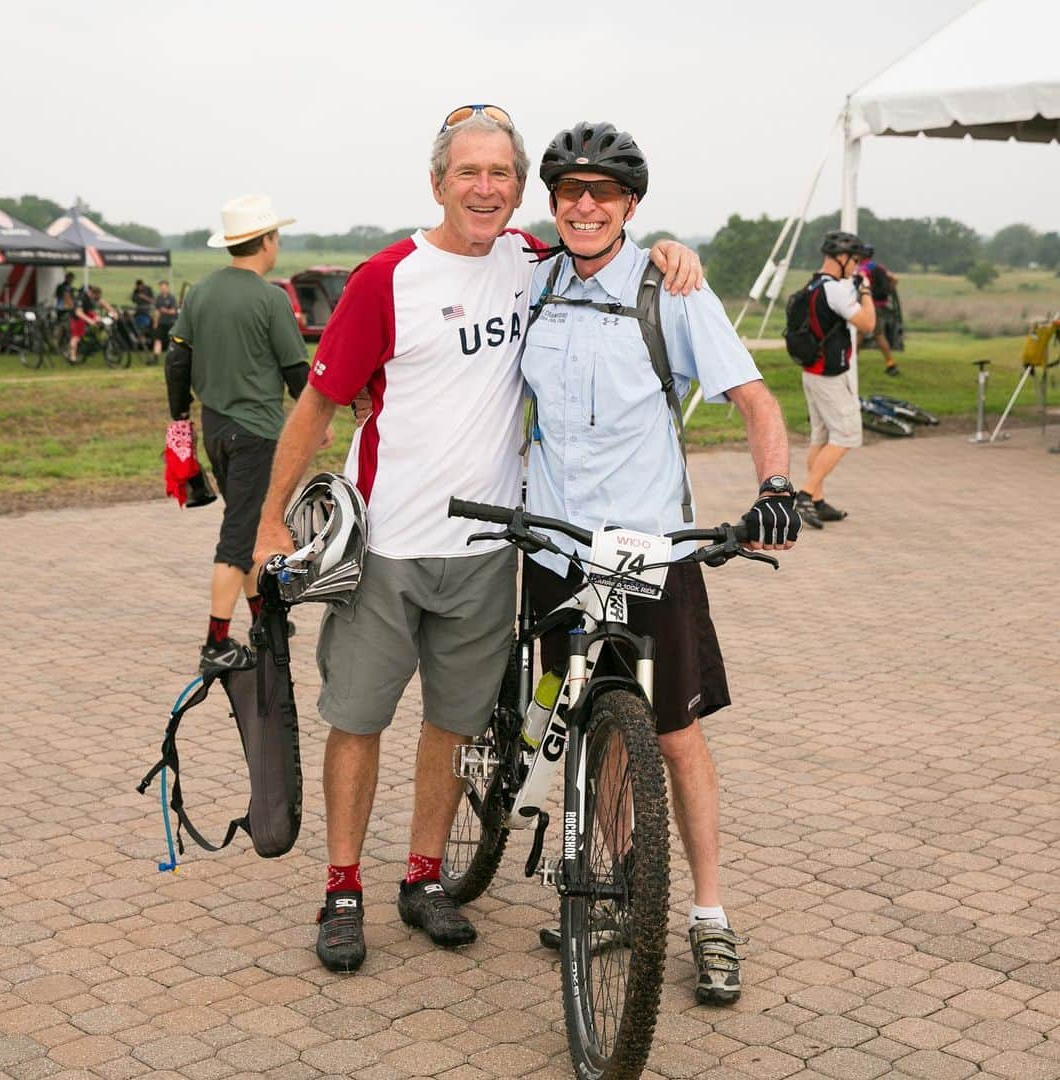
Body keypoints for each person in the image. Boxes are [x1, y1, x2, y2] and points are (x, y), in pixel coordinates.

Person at [251, 105, 702, 975]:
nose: (486, 189)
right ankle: (342, 889)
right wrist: (271, 520)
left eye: (502, 174)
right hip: (387, 544)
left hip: (492, 549)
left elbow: (618, 251)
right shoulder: (388, 279)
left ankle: (423, 879)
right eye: (469, 173)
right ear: (438, 182)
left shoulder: (533, 262)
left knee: (453, 727)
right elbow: (315, 404)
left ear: (519, 186)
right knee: (357, 720)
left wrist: (677, 250)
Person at [521, 121, 800, 1007]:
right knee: (587, 727)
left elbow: (754, 400)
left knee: (674, 736)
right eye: (570, 190)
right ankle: (612, 892)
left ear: (632, 207)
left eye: (604, 192)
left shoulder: (670, 289)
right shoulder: (532, 285)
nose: (586, 205)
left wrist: (778, 487)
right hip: (557, 551)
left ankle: (709, 916)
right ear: (555, 204)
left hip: (649, 552)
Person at [165, 194, 313, 674]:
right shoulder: (271, 298)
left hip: (216, 430)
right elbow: (296, 370)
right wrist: (313, 422)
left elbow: (177, 360)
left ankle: (264, 622)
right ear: (266, 241)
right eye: (276, 236)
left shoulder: (201, 292)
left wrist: (179, 418)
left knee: (247, 523)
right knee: (238, 537)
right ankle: (215, 642)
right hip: (258, 434)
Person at [793, 231, 875, 528]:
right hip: (828, 375)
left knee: (822, 436)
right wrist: (865, 291)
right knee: (847, 434)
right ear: (841, 258)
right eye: (855, 261)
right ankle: (804, 495)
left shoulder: (816, 284)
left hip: (813, 372)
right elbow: (868, 323)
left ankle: (816, 499)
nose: (856, 266)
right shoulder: (837, 290)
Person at [859, 244, 901, 376]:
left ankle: (891, 365)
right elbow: (895, 279)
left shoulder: (861, 268)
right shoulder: (879, 267)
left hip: (868, 305)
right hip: (880, 305)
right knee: (862, 334)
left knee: (875, 335)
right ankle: (850, 363)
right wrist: (888, 291)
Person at [152, 280, 179, 365]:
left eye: (164, 287)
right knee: (157, 340)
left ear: (167, 287)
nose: (162, 289)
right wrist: (155, 322)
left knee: (172, 341)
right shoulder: (158, 298)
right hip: (161, 322)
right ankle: (155, 358)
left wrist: (165, 310)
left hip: (170, 322)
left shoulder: (172, 298)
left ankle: (173, 359)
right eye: (161, 288)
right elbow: (157, 311)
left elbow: (174, 311)